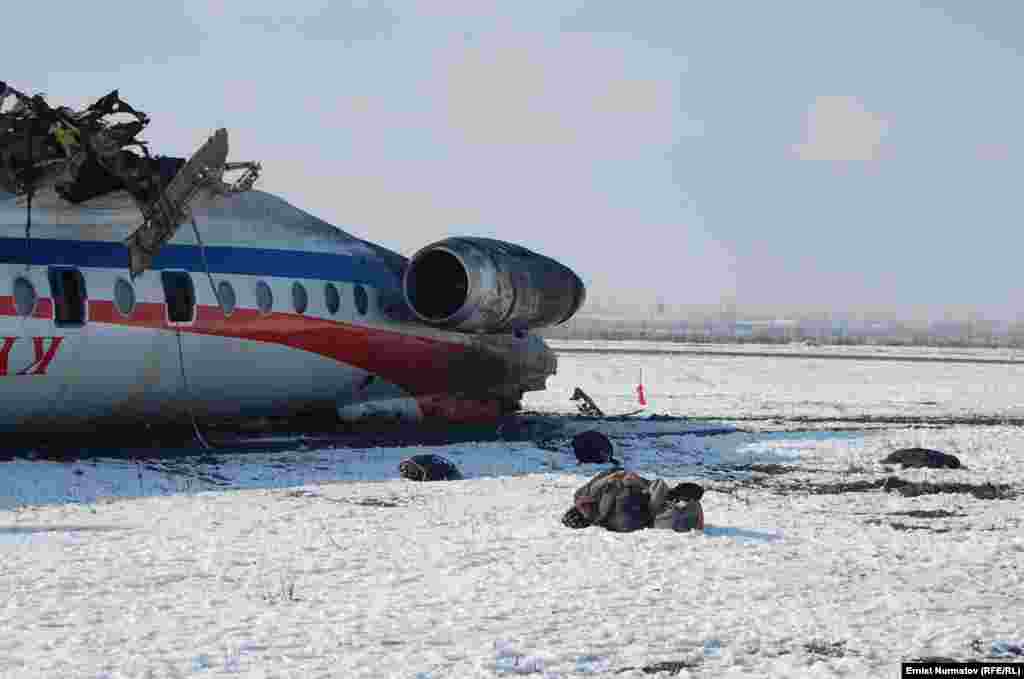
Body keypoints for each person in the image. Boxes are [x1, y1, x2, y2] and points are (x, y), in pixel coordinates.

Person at [561, 468, 704, 532]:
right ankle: (672, 496)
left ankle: (672, 496)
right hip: (644, 500)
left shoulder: (597, 511)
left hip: (643, 501)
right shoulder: (587, 499)